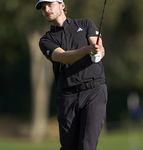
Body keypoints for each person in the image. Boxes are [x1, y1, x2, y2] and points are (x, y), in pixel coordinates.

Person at [35, 0, 108, 150]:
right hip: (68, 97)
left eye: (50, 4)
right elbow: (63, 57)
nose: (46, 9)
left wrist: (98, 52)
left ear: (62, 5)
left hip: (93, 92)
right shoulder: (46, 40)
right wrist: (87, 50)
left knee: (86, 146)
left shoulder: (85, 24)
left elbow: (99, 48)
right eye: (43, 8)